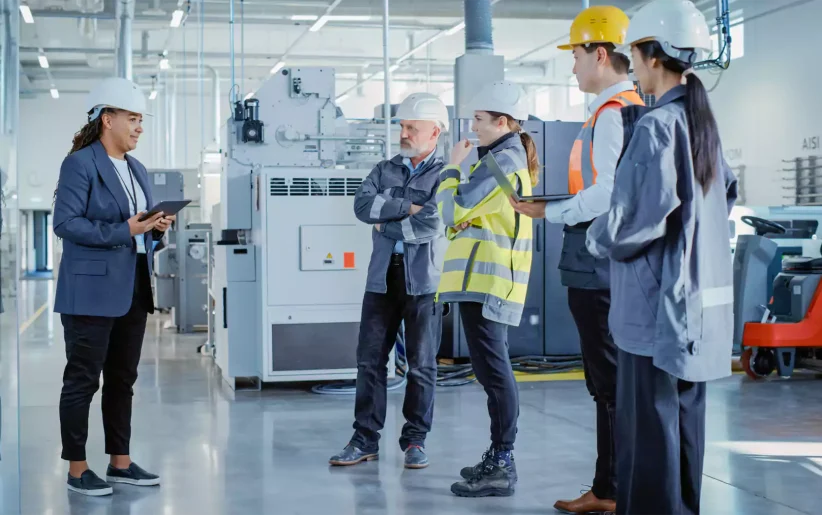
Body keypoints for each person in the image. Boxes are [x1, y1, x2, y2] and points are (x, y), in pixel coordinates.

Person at [585, 1, 737, 514]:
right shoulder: (705, 126)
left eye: (634, 53)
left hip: (653, 312)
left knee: (648, 439)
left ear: (651, 57)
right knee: (684, 428)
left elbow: (634, 223)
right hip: (697, 308)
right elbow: (720, 203)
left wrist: (594, 238)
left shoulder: (655, 127)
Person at [510, 6, 643, 513]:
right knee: (607, 380)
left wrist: (551, 212)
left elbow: (607, 193)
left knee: (607, 381)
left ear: (601, 53)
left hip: (598, 258)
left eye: (577, 55)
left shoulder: (614, 114)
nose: (572, 67)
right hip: (601, 257)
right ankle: (610, 486)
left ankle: (612, 490)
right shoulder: (619, 110)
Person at [53, 77, 173, 496]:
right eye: (133, 119)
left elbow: (138, 230)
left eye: (142, 120)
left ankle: (120, 462)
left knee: (123, 378)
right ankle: (77, 468)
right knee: (83, 380)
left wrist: (156, 228)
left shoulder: (137, 169)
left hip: (133, 287)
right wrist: (125, 229)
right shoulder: (81, 164)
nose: (140, 127)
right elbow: (65, 225)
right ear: (108, 119)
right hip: (89, 291)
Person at [330, 92, 449, 470]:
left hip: (424, 283)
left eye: (412, 127)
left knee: (422, 365)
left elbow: (433, 222)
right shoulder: (384, 168)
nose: (404, 133)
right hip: (381, 280)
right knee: (369, 362)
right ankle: (364, 439)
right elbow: (363, 207)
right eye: (402, 126)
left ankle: (415, 441)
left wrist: (389, 222)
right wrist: (410, 207)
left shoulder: (446, 175)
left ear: (435, 132)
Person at [436, 81, 538, 498]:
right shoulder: (499, 159)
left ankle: (502, 461)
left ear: (501, 121)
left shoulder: (501, 162)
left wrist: (450, 168)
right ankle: (498, 456)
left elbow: (453, 207)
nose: (472, 126)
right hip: (482, 279)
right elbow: (464, 214)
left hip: (490, 281)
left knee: (495, 374)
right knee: (490, 372)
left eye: (478, 119)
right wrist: (461, 212)